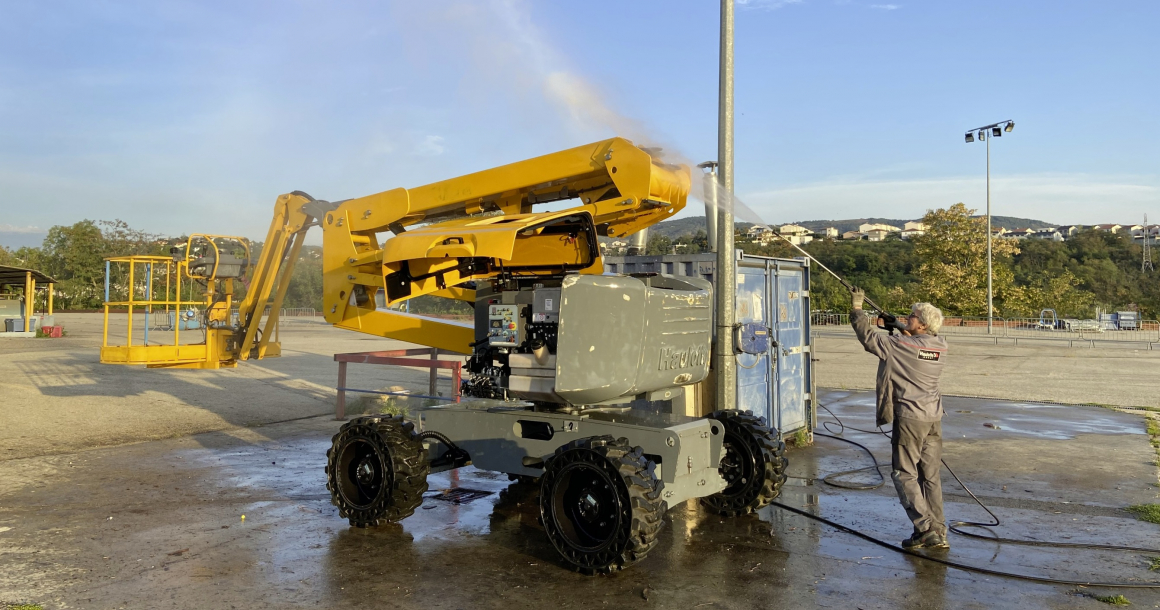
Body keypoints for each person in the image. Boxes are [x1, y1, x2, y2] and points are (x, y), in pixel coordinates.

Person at [850, 288, 949, 549]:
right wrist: (901, 327)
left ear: (923, 323)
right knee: (930, 477)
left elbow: (869, 339)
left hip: (911, 418)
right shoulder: (941, 345)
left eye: (912, 316)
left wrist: (858, 309)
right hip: (933, 417)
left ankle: (925, 527)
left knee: (903, 474)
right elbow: (917, 347)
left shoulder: (901, 345)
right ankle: (938, 531)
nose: (908, 317)